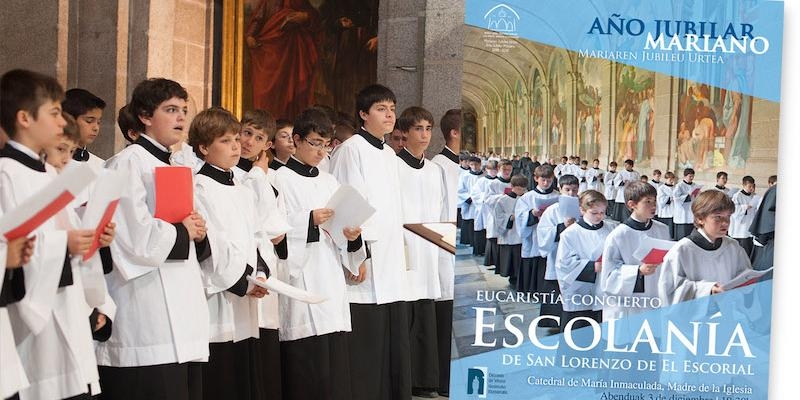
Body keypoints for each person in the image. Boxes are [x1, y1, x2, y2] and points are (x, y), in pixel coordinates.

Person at [97, 78, 210, 400]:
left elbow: (181, 224)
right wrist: (182, 231)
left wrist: (198, 231)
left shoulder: (174, 164)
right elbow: (131, 236)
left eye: (184, 110)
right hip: (144, 311)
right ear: (145, 116)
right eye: (171, 110)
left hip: (179, 306)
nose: (181, 117)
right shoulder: (127, 163)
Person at [0, 69, 110, 400]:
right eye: (54, 113)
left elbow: (62, 229)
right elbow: (10, 249)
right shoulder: (6, 173)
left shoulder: (48, 173)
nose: (63, 122)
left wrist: (91, 237)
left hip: (69, 305)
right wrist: (65, 245)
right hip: (34, 323)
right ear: (24, 119)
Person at [328, 84, 411, 400]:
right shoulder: (351, 150)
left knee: (389, 338)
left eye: (392, 108)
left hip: (390, 257)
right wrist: (356, 255)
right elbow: (347, 206)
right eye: (381, 109)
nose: (389, 115)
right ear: (363, 114)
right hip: (366, 258)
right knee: (366, 340)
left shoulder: (389, 153)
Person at [232, 108, 287, 400]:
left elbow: (277, 232)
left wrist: (259, 177)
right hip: (239, 268)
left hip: (265, 264)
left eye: (258, 137)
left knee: (263, 344)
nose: (248, 142)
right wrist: (256, 175)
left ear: (268, 144)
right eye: (246, 133)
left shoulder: (270, 178)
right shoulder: (230, 173)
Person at [394, 106, 445, 398]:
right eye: (418, 129)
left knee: (425, 309)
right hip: (403, 246)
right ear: (404, 133)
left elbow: (438, 210)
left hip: (429, 247)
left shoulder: (435, 170)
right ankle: (405, 379)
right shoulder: (393, 166)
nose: (424, 135)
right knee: (405, 312)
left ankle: (425, 380)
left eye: (428, 129)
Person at [659, 190, 752, 304]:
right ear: (700, 218)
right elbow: (669, 292)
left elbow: (745, 277)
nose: (726, 222)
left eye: (728, 216)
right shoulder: (681, 251)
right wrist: (708, 290)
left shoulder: (733, 247)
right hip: (696, 314)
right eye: (718, 217)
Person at [600, 181, 671, 320]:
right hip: (629, 304)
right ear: (632, 204)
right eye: (648, 201)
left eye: (654, 201)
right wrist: (637, 271)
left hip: (656, 296)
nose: (654, 206)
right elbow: (608, 278)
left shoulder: (662, 230)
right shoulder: (619, 235)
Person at [428, 108, 460, 397]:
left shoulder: (459, 165)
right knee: (443, 318)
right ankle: (441, 380)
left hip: (455, 251)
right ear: (454, 133)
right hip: (442, 252)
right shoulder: (438, 165)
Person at [245, 0, 321, 119]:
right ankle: (265, 122)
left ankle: (291, 121)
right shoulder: (269, 2)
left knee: (292, 90)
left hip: (295, 53)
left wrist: (305, 17)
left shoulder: (302, 3)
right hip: (273, 48)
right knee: (268, 91)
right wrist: (250, 35)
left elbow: (315, 18)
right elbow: (259, 17)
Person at [556, 190, 616, 331]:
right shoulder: (570, 233)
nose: (599, 216)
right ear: (582, 210)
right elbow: (564, 264)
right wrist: (592, 267)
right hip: (580, 290)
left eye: (602, 212)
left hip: (605, 287)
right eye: (594, 213)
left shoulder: (612, 229)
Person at [537, 174, 580, 332]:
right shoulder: (552, 210)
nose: (571, 193)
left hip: (577, 256)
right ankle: (554, 322)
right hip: (557, 255)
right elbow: (543, 233)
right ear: (560, 189)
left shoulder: (583, 208)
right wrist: (562, 227)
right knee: (556, 287)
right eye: (567, 189)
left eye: (574, 190)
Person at [513, 164, 558, 292]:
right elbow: (520, 217)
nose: (546, 183)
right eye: (543, 180)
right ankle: (531, 289)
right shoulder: (527, 197)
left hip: (550, 235)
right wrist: (532, 214)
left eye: (549, 180)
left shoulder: (558, 196)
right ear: (536, 178)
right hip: (533, 235)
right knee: (533, 257)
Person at [62, 88, 106, 169]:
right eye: (89, 121)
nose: (96, 128)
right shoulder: (52, 162)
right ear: (69, 119)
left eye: (98, 122)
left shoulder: (101, 166)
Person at [494, 176, 527, 284]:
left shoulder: (527, 199)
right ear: (512, 186)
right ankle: (512, 277)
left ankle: (520, 277)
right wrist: (509, 217)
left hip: (522, 234)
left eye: (523, 189)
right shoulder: (503, 200)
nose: (521, 191)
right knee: (511, 258)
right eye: (518, 188)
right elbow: (498, 216)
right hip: (510, 233)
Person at [458, 156, 483, 247]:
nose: (474, 167)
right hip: (469, 202)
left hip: (480, 202)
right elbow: (460, 189)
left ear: (480, 164)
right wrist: (469, 198)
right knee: (469, 220)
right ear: (469, 164)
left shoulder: (484, 176)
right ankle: (468, 240)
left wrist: (479, 198)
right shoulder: (465, 175)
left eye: (476, 164)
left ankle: (477, 243)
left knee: (479, 222)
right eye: (472, 164)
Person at [730, 175, 757, 258]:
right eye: (749, 186)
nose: (751, 188)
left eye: (752, 186)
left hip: (750, 224)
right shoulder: (737, 196)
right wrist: (744, 207)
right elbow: (733, 210)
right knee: (741, 251)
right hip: (741, 228)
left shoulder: (754, 196)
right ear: (744, 185)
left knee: (749, 250)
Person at [672, 168, 701, 240]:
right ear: (685, 176)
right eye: (690, 176)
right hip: (682, 214)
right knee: (682, 237)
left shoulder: (695, 185)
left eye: (693, 176)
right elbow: (676, 198)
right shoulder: (679, 186)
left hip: (692, 212)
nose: (692, 178)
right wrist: (687, 196)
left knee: (691, 236)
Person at [655, 171, 676, 239]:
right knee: (665, 231)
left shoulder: (675, 187)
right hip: (665, 213)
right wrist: (670, 198)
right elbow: (661, 201)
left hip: (674, 212)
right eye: (670, 179)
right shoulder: (661, 188)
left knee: (672, 233)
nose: (671, 180)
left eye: (672, 179)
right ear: (666, 179)